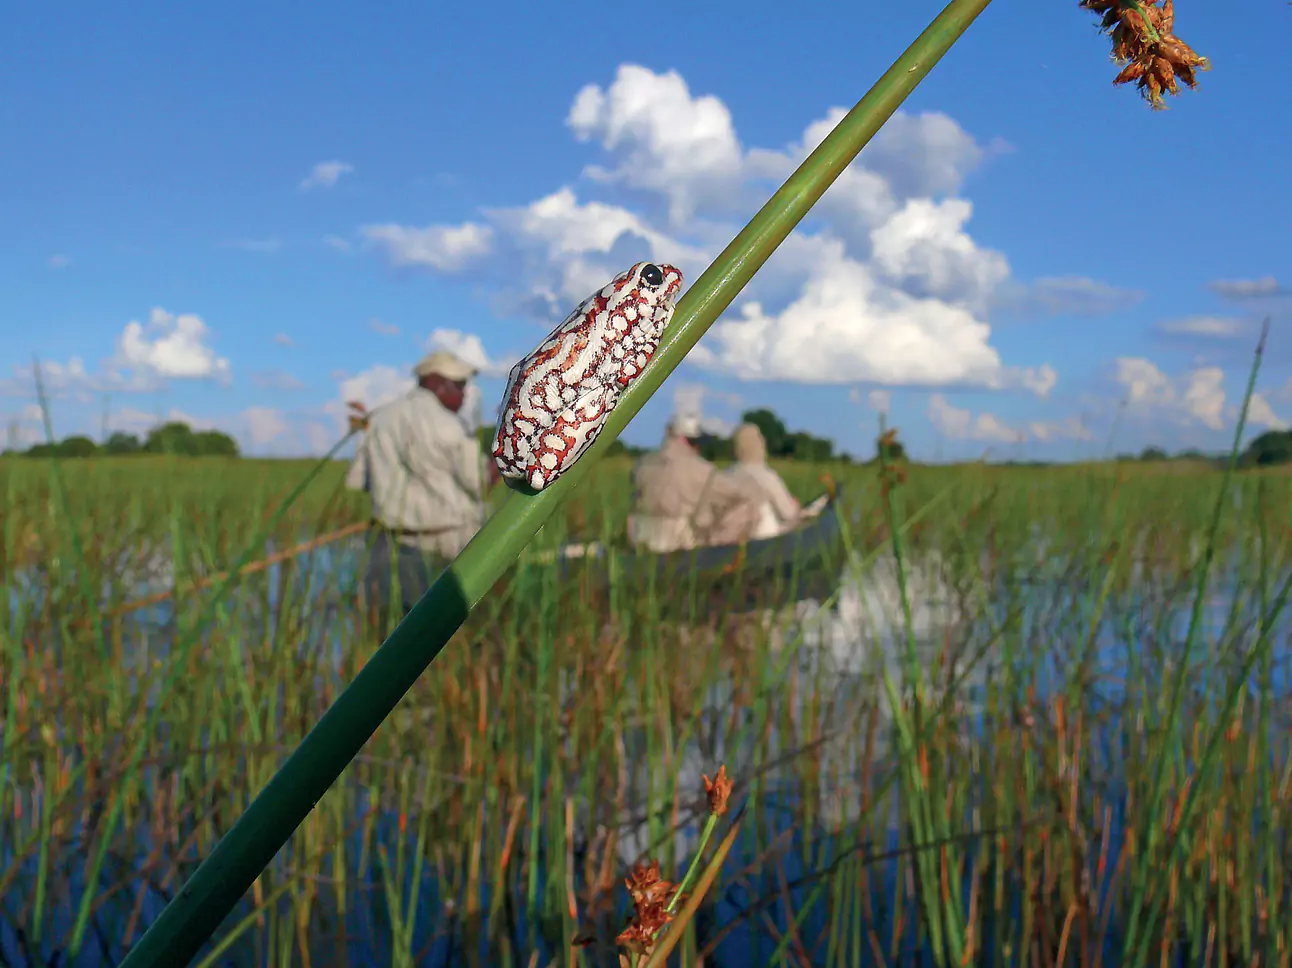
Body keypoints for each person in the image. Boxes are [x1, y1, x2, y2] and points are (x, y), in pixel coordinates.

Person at [345, 348, 501, 635]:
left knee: (394, 634)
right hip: (447, 546)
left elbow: (360, 482)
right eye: (460, 386)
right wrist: (505, 458)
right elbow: (479, 481)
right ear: (437, 383)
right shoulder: (449, 425)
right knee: (450, 633)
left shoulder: (380, 419)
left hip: (390, 545)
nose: (465, 395)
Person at [628, 414, 764, 553]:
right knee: (747, 507)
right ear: (685, 439)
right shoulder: (702, 471)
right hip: (678, 547)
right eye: (695, 442)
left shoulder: (641, 465)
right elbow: (740, 498)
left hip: (639, 541)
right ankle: (721, 558)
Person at [721, 422, 817, 540]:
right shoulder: (766, 475)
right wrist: (796, 507)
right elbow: (788, 514)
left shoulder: (723, 476)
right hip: (761, 540)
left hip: (727, 540)